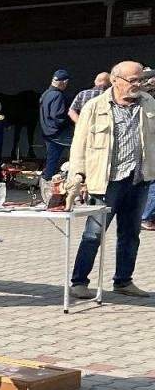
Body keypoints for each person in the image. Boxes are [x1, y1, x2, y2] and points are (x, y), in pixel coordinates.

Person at [67, 60, 155, 299]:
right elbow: (79, 145)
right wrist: (76, 177)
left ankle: (124, 281)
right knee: (93, 234)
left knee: (130, 234)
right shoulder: (94, 107)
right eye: (133, 80)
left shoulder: (149, 103)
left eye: (141, 80)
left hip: (138, 179)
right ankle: (79, 282)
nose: (138, 84)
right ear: (115, 81)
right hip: (106, 182)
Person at [39, 71, 74, 180]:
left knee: (52, 159)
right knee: (80, 148)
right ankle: (73, 177)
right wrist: (70, 124)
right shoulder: (58, 95)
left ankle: (48, 181)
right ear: (65, 82)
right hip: (58, 133)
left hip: (47, 132)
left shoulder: (46, 94)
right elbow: (58, 116)